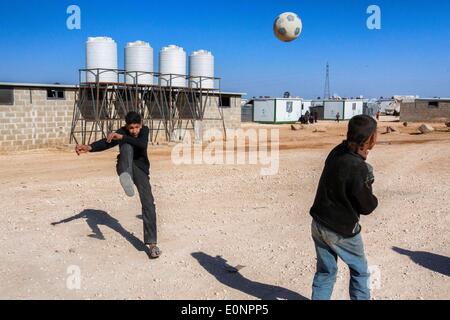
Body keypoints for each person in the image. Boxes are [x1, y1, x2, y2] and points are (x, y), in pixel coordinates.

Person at [309, 115, 378, 300]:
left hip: (318, 223)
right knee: (360, 271)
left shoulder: (337, 151)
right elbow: (367, 207)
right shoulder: (359, 168)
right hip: (342, 230)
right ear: (370, 138)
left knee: (326, 271)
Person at [75, 111, 162, 259]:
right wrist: (89, 147)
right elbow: (106, 142)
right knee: (126, 146)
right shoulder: (122, 132)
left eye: (136, 127)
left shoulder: (144, 131)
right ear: (126, 126)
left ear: (141, 125)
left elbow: (142, 144)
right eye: (131, 128)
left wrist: (122, 137)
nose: (134, 131)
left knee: (148, 203)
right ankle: (126, 177)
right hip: (123, 166)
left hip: (140, 169)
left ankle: (152, 244)